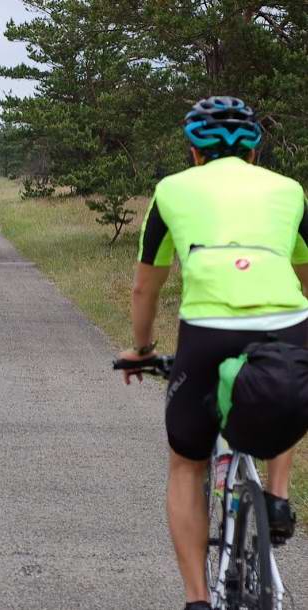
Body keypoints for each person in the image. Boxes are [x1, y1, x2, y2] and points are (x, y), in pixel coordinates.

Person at [116, 96, 307, 610]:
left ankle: (198, 600)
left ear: (194, 152)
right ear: (254, 152)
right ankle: (279, 496)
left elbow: (144, 288)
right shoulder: (290, 191)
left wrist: (142, 349)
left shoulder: (171, 189)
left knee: (186, 462)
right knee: (282, 385)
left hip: (207, 328)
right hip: (285, 321)